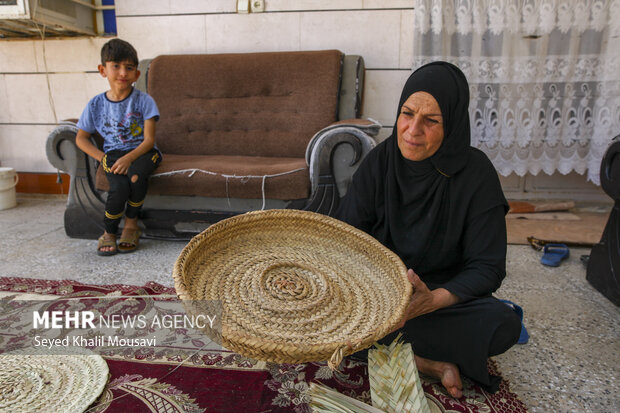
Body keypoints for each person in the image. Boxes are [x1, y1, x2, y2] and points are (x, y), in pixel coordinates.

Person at [335, 62, 521, 397]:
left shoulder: (476, 176)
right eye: (407, 113)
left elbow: (487, 267)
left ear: (451, 124)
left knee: (503, 324)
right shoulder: (379, 163)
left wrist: (431, 300)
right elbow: (347, 241)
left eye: (431, 120)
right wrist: (374, 298)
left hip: (441, 295)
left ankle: (381, 346)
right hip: (379, 297)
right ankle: (429, 363)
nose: (412, 130)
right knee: (327, 309)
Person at [75, 39, 161, 256]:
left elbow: (149, 141)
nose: (123, 72)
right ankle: (109, 232)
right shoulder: (95, 104)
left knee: (135, 176)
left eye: (129, 68)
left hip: (143, 152)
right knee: (119, 187)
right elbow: (81, 138)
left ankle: (131, 226)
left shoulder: (144, 101)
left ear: (137, 75)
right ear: (103, 70)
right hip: (113, 153)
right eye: (116, 66)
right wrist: (102, 157)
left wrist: (129, 159)